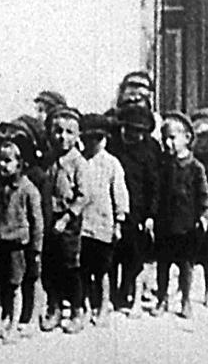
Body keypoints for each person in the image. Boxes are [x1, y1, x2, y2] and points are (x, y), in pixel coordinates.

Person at [150, 112, 208, 320]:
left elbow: (203, 195)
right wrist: (152, 216)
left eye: (172, 138)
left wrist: (204, 215)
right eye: (164, 138)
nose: (168, 143)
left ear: (187, 138)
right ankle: (162, 298)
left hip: (186, 226)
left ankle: (185, 300)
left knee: (186, 265)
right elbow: (156, 192)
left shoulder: (195, 167)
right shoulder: (164, 165)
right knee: (163, 264)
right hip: (165, 224)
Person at [0, 138, 43, 345]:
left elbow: (37, 222)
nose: (3, 165)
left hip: (17, 246)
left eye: (8, 161)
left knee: (14, 286)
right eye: (0, 160)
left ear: (20, 163)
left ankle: (14, 325)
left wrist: (36, 249)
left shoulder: (28, 189)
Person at [40, 106, 91, 334]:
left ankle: (77, 311)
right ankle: (55, 308)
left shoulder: (78, 162)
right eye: (58, 131)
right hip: (49, 220)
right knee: (51, 266)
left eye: (69, 132)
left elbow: (84, 195)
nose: (63, 137)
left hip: (69, 222)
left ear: (78, 135)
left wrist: (67, 217)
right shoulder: (49, 160)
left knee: (70, 267)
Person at [108, 105, 159, 318]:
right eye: (132, 130)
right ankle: (113, 295)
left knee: (135, 256)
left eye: (141, 131)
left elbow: (154, 186)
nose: (136, 135)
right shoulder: (115, 147)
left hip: (138, 212)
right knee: (113, 255)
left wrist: (151, 215)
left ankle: (133, 295)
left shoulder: (149, 151)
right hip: (115, 208)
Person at [79, 114, 129, 328]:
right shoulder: (81, 161)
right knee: (83, 270)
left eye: (98, 139)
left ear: (106, 139)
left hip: (103, 225)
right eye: (88, 139)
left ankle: (103, 306)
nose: (93, 143)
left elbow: (120, 194)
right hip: (83, 226)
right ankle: (85, 307)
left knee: (102, 271)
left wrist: (119, 221)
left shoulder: (112, 164)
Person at [191, 108, 208, 307]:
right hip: (192, 208)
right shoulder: (191, 159)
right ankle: (184, 287)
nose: (205, 143)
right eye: (201, 138)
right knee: (189, 247)